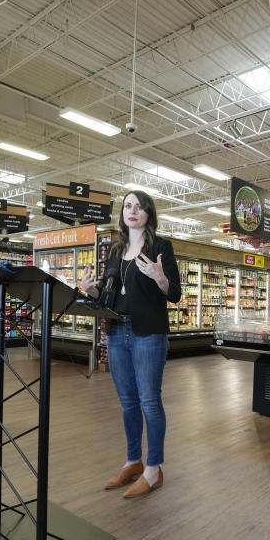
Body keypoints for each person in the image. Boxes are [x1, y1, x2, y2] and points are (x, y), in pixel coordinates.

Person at [81, 190, 181, 498]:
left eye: (139, 206)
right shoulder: (116, 250)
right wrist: (92, 291)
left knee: (150, 401)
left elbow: (174, 293)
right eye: (127, 206)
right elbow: (109, 295)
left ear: (149, 213)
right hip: (116, 332)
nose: (132, 210)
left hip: (148, 333)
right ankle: (132, 461)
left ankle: (153, 470)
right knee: (128, 403)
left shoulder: (161, 247)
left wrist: (159, 277)